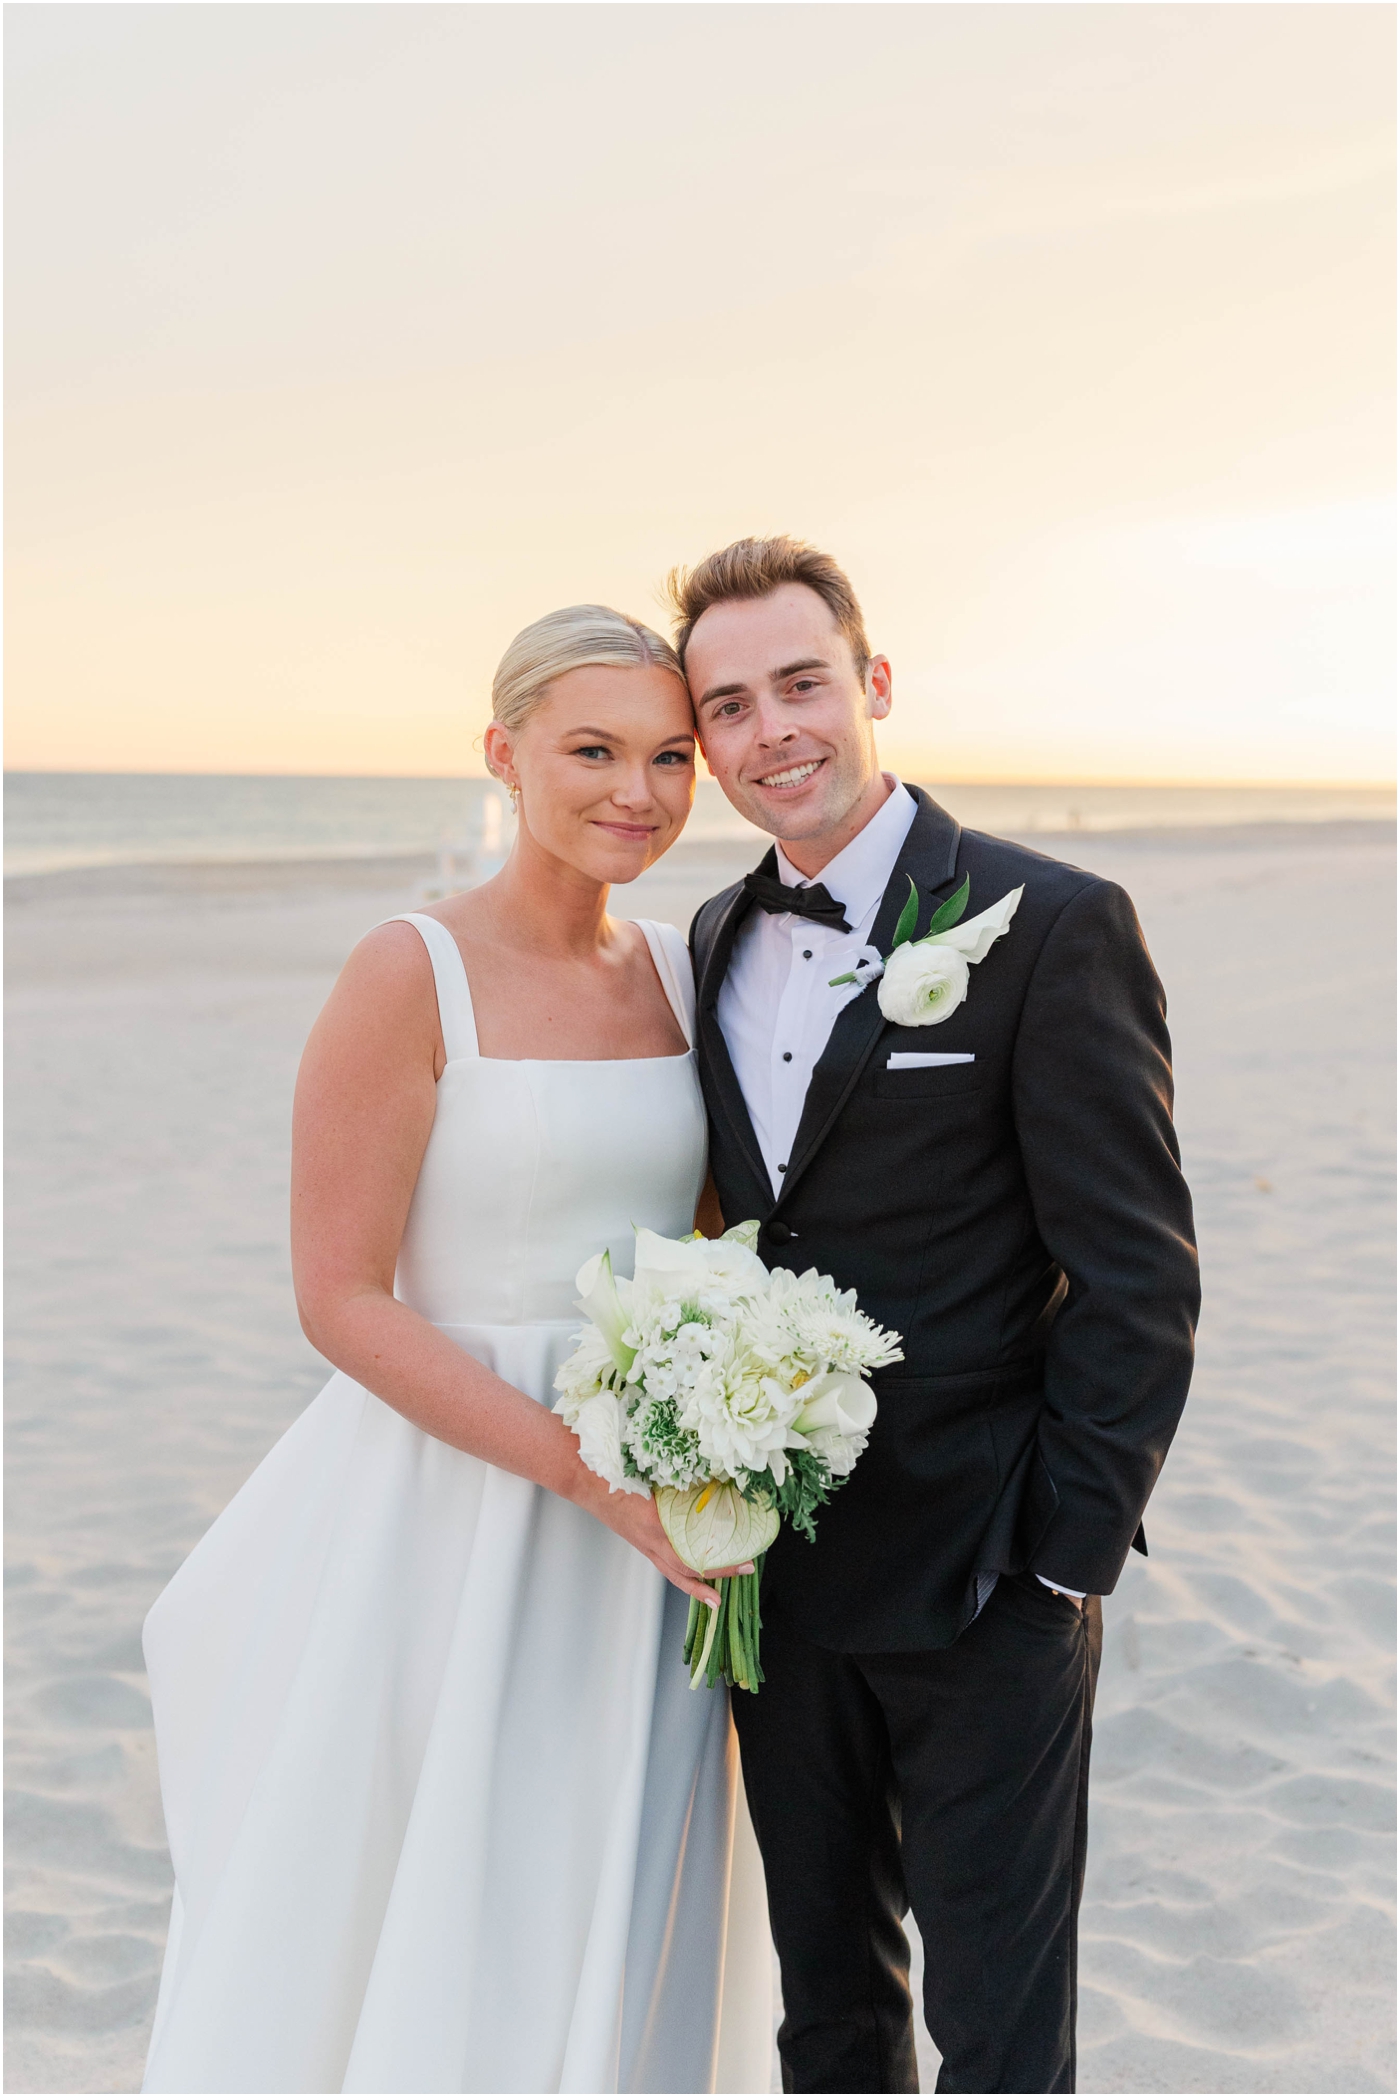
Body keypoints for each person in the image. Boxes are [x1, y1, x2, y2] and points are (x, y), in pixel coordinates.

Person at [141, 605, 772, 2095]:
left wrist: (715, 1442)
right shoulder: (406, 970)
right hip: (462, 1503)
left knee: (619, 1877)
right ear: (502, 754)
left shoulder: (688, 970)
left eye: (674, 754)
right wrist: (580, 1469)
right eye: (594, 751)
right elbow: (342, 1296)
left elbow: (711, 1249)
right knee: (445, 1891)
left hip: (656, 1522)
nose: (640, 789)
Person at [677, 536, 1200, 2095]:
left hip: (988, 1578)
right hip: (779, 1585)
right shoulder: (710, 943)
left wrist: (1060, 1561)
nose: (772, 731)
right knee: (828, 2014)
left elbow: (1139, 1275)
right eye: (728, 705)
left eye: (800, 683)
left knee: (1001, 2034)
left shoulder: (1054, 925)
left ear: (872, 682)